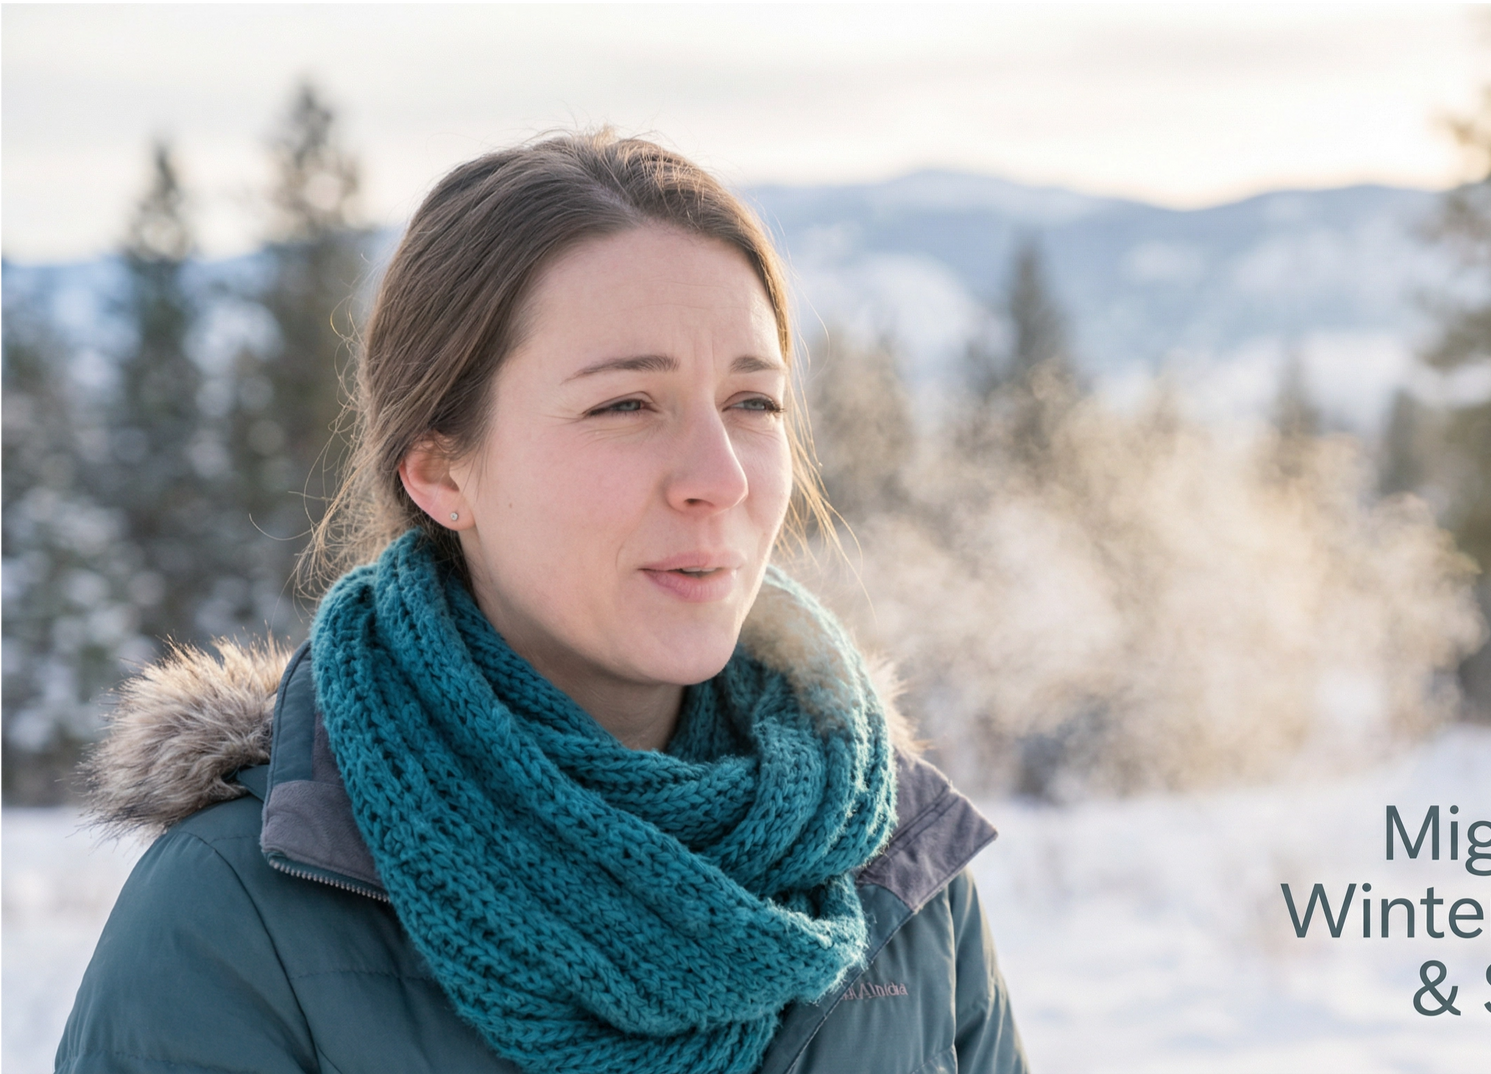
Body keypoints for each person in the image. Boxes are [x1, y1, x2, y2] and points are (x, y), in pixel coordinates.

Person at [57, 131, 1027, 1074]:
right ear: (441, 472)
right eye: (625, 405)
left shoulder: (887, 857)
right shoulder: (239, 914)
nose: (719, 477)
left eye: (753, 403)